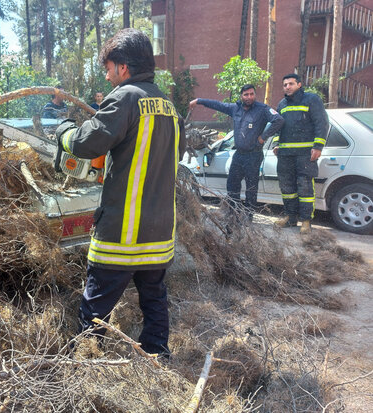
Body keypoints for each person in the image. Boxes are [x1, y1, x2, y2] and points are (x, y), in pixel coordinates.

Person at [55, 28, 186, 359]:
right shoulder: (170, 108)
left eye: (108, 67)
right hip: (159, 232)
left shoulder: (125, 97)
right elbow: (172, 154)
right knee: (154, 299)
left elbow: (87, 143)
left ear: (123, 67)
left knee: (95, 305)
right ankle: (157, 356)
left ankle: (87, 362)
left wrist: (65, 132)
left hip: (123, 232)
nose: (107, 74)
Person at [189, 85, 284, 218]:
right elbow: (217, 105)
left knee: (251, 187)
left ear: (255, 95)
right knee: (232, 184)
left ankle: (248, 216)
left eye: (251, 94)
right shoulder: (235, 109)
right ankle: (233, 212)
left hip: (254, 155)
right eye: (246, 94)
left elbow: (278, 120)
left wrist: (263, 137)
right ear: (241, 96)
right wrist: (199, 100)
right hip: (239, 155)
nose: (249, 97)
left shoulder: (262, 109)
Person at [274, 73, 329, 234]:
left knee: (305, 188)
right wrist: (277, 143)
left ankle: (306, 221)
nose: (287, 87)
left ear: (299, 84)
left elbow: (321, 123)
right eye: (285, 85)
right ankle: (291, 218)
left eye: (291, 84)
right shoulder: (282, 104)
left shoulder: (311, 99)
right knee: (287, 188)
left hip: (305, 154)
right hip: (285, 154)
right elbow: (279, 126)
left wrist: (318, 146)